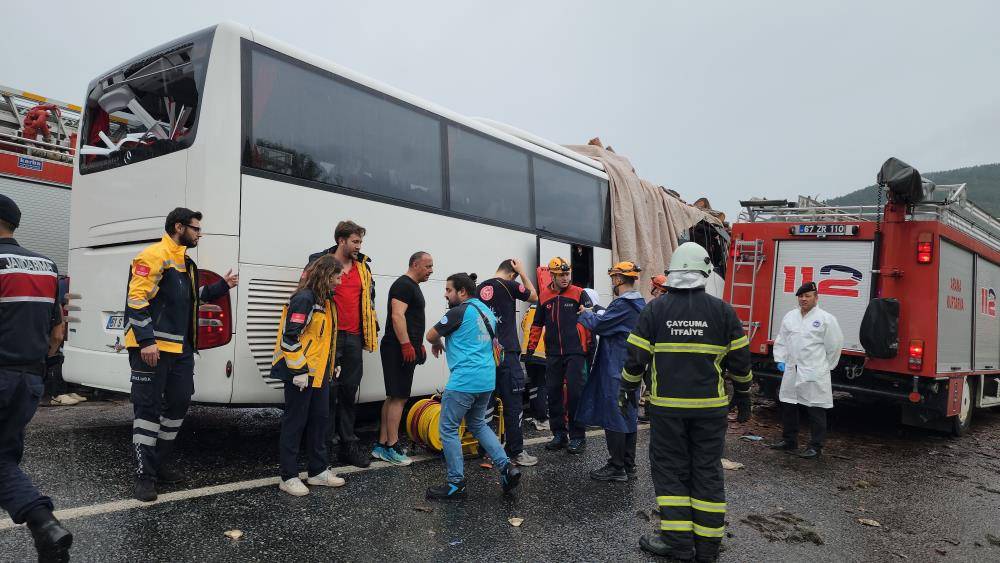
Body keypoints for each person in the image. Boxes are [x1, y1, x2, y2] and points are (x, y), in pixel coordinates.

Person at [621, 242, 753, 562]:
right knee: (706, 471)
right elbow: (740, 361)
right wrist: (745, 395)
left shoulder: (656, 309)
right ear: (705, 272)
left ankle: (678, 543)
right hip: (710, 410)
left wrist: (627, 387)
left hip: (667, 410)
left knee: (670, 472)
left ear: (673, 272)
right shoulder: (723, 311)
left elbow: (636, 357)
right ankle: (707, 547)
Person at [125, 207, 238, 502]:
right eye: (196, 228)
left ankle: (159, 462)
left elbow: (191, 296)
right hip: (152, 349)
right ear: (179, 227)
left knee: (179, 403)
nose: (199, 234)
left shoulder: (185, 263)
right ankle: (144, 476)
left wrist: (221, 287)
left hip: (180, 350)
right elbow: (136, 299)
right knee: (147, 411)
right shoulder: (152, 256)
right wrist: (147, 340)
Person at [0, 194, 74, 562]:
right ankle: (47, 533)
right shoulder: (46, 266)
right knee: (3, 460)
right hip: (29, 380)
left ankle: (45, 526)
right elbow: (57, 333)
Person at [425, 273, 522, 500]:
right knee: (478, 424)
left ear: (462, 292)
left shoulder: (458, 312)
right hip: (487, 379)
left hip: (464, 381)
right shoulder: (487, 312)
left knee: (448, 429)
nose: (446, 294)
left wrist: (438, 342)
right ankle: (507, 467)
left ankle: (455, 483)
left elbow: (430, 335)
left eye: (449, 290)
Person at [271, 255, 348, 495]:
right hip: (301, 374)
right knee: (295, 424)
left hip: (319, 374)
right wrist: (299, 370)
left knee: (319, 422)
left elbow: (324, 338)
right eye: (337, 277)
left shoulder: (325, 301)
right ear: (326, 275)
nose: (339, 282)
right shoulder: (304, 299)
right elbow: (289, 337)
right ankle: (288, 476)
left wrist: (333, 362)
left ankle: (318, 472)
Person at [306, 220, 378, 468]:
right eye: (355, 241)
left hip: (354, 337)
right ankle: (322, 450)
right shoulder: (320, 262)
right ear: (341, 240)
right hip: (330, 336)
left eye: (360, 242)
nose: (359, 246)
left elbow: (369, 298)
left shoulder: (363, 267)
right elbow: (306, 292)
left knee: (349, 391)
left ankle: (348, 444)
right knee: (327, 393)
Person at [577, 262, 646, 482]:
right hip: (631, 365)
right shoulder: (639, 303)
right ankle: (628, 464)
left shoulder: (623, 304)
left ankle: (617, 467)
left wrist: (586, 314)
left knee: (614, 414)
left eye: (613, 278)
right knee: (628, 414)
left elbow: (601, 325)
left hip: (616, 365)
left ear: (618, 279)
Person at [769, 281, 844, 460]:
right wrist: (780, 359)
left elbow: (835, 345)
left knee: (815, 407)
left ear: (816, 298)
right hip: (791, 368)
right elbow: (782, 339)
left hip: (814, 370)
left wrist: (826, 366)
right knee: (788, 403)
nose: (803, 299)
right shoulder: (791, 316)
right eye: (801, 296)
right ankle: (789, 440)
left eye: (808, 296)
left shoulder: (826, 319)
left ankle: (815, 446)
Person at [526, 257, 594, 454]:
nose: (565, 278)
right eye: (561, 275)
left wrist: (589, 346)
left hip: (576, 352)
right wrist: (530, 350)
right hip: (553, 353)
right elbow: (537, 324)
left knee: (575, 394)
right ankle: (559, 435)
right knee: (554, 393)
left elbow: (590, 319)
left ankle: (578, 436)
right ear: (553, 276)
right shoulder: (544, 296)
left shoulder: (579, 293)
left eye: (567, 274)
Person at [477, 259, 539, 467]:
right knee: (513, 403)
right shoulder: (510, 284)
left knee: (486, 401)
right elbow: (533, 295)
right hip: (507, 353)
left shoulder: (479, 288)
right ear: (512, 274)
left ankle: (486, 453)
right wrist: (523, 272)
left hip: (485, 354)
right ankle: (516, 452)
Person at [374, 251, 433, 466]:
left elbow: (411, 318)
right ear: (415, 264)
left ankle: (381, 445)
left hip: (403, 347)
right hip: (398, 348)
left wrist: (418, 345)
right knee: (399, 398)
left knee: (393, 396)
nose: (431, 271)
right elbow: (397, 315)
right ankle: (392, 446)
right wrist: (406, 344)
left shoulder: (411, 286)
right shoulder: (404, 285)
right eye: (427, 266)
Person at [520, 305, 549, 430]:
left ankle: (535, 414)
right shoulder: (550, 305)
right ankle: (542, 418)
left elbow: (523, 324)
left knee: (533, 385)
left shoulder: (531, 308)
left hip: (528, 351)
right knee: (542, 385)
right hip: (543, 351)